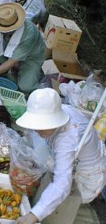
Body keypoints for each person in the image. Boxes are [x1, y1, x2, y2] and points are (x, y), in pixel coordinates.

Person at [15, 88, 106, 224]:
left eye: (43, 126)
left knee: (63, 207)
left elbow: (63, 182)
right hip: (77, 156)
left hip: (88, 174)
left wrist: (35, 214)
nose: (38, 130)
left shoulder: (67, 138)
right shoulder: (61, 109)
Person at [0, 3, 45, 94]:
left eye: (4, 31)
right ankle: (4, 71)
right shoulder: (1, 22)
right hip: (11, 47)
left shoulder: (29, 33)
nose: (1, 31)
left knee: (26, 87)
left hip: (32, 56)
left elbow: (13, 60)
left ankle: (17, 71)